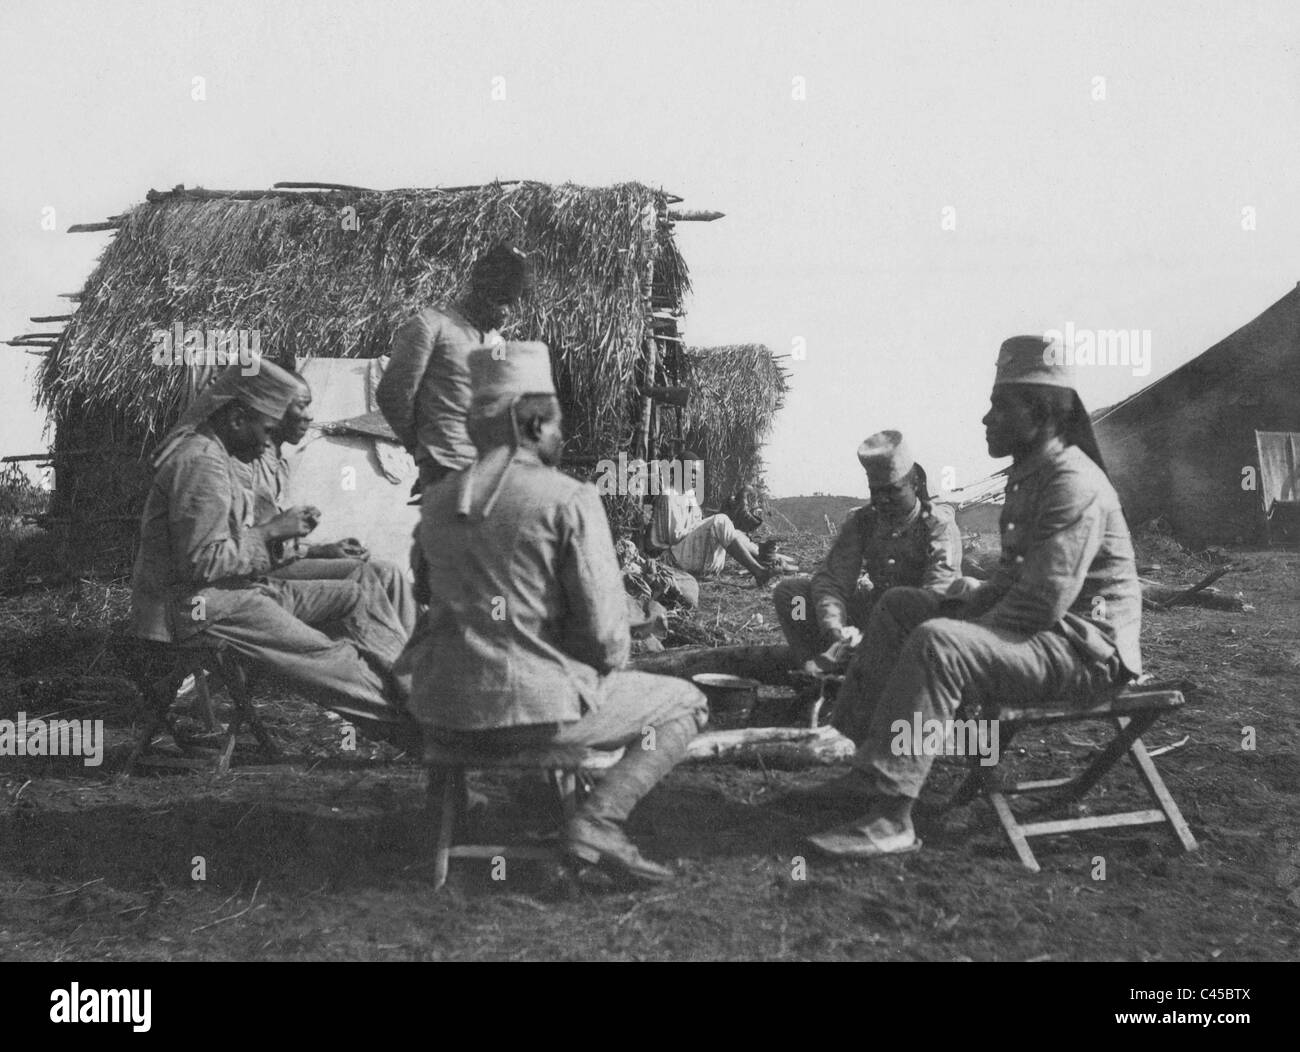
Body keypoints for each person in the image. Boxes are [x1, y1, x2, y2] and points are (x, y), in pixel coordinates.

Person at [800, 336, 1142, 858]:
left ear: (1042, 412)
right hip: (1046, 636)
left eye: (1000, 406)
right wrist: (961, 603)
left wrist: (957, 628)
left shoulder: (1071, 483)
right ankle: (865, 766)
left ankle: (892, 814)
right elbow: (1012, 583)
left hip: (1085, 651)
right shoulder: (1033, 477)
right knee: (899, 607)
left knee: (940, 642)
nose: (986, 419)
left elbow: (1039, 604)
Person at [399, 341, 708, 884]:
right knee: (685, 702)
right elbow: (609, 638)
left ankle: (454, 820)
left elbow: (427, 595)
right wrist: (580, 657)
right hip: (528, 719)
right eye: (557, 423)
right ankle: (599, 822)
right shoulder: (568, 499)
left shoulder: (438, 501)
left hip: (440, 713)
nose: (562, 436)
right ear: (535, 423)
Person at [131, 360, 419, 750]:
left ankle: (422, 692)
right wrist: (270, 532)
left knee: (358, 596)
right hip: (193, 608)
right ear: (236, 419)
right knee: (325, 657)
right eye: (266, 430)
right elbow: (201, 563)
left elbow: (228, 549)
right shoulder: (202, 464)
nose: (267, 441)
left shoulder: (220, 459)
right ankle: (421, 732)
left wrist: (276, 540)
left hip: (233, 591)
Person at [236, 369, 418, 635]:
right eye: (301, 406)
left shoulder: (278, 463)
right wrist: (312, 549)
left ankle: (417, 658)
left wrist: (325, 549)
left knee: (388, 573)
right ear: (274, 410)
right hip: (262, 574)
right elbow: (260, 543)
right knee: (375, 575)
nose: (310, 416)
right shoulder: (253, 464)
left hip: (279, 563)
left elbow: (279, 541)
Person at [773, 431, 962, 674]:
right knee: (792, 595)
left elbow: (938, 593)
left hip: (916, 626)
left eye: (892, 491)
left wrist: (880, 637)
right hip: (871, 617)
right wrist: (835, 628)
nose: (883, 500)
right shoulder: (864, 522)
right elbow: (833, 580)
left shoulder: (938, 525)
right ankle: (815, 670)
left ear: (914, 484)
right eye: (876, 491)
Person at [375, 243, 532, 496]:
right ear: (480, 290)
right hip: (445, 472)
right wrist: (425, 449)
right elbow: (392, 395)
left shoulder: (497, 343)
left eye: (511, 303)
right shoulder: (430, 327)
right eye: (499, 301)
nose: (506, 312)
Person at [648, 452, 773, 587]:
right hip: (672, 558)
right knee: (721, 521)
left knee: (733, 530)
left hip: (686, 554)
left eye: (697, 473)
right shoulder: (669, 497)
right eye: (691, 472)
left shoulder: (689, 496)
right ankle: (759, 572)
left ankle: (764, 559)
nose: (695, 477)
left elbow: (696, 525)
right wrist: (713, 523)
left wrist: (715, 524)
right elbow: (674, 538)